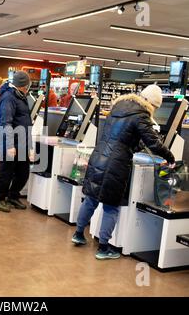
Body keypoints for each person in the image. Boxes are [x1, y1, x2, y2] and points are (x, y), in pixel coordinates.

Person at [71, 84, 176, 260]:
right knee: (111, 207)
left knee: (90, 199)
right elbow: (154, 143)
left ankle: (79, 234)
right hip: (116, 164)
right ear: (151, 103)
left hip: (99, 156)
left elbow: (121, 138)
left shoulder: (117, 107)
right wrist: (170, 157)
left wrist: (135, 144)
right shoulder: (142, 115)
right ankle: (104, 248)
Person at [0, 71, 33, 213]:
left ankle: (13, 196)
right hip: (10, 141)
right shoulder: (8, 98)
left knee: (23, 172)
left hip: (22, 141)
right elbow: (6, 122)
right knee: (6, 172)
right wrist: (9, 145)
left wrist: (30, 147)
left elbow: (26, 121)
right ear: (23, 85)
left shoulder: (22, 97)